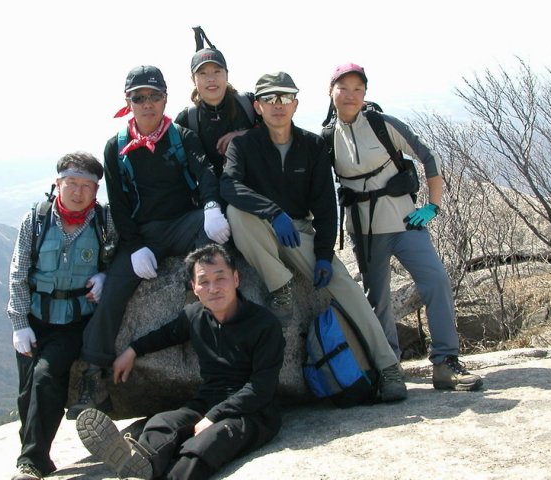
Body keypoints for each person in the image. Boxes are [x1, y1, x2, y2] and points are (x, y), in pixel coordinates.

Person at [220, 71, 407, 402]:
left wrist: (323, 254)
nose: (278, 105)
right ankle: (280, 286)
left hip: (300, 233)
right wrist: (272, 212)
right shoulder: (243, 146)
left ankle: (388, 367)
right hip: (262, 227)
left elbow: (324, 205)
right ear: (258, 106)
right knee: (237, 212)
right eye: (269, 98)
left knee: (345, 285)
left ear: (295, 104)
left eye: (285, 97)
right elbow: (229, 185)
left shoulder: (312, 145)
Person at [67, 65, 231, 419]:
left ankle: (209, 325)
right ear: (128, 102)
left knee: (213, 252)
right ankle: (93, 376)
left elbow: (205, 174)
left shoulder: (182, 137)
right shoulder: (116, 148)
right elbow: (119, 205)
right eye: (139, 97)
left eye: (154, 96)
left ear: (165, 99)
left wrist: (211, 207)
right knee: (115, 289)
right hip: (143, 234)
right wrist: (135, 245)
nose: (147, 103)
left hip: (185, 222)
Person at [324, 62, 483, 391]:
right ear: (331, 92)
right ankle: (390, 368)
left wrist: (432, 206)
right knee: (377, 299)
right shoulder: (326, 138)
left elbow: (428, 157)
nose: (351, 95)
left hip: (405, 222)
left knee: (436, 281)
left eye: (358, 89)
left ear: (365, 93)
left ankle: (445, 363)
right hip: (364, 231)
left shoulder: (383, 125)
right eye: (344, 88)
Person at [76, 243, 285, 480]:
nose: (213, 288)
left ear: (236, 279)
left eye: (220, 278)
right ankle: (141, 465)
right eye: (204, 281)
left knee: (206, 442)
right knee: (161, 423)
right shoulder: (194, 315)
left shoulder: (264, 324)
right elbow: (165, 335)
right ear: (194, 287)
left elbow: (261, 388)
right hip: (207, 401)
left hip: (254, 413)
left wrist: (214, 417)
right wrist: (132, 350)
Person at [7, 152, 114, 480]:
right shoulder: (36, 220)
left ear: (96, 190)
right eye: (72, 183)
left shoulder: (104, 221)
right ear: (58, 184)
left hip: (73, 322)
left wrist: (105, 276)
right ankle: (36, 458)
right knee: (27, 394)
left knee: (46, 376)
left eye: (87, 186)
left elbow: (120, 256)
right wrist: (19, 323)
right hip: (35, 319)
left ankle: (31, 463)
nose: (78, 192)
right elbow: (18, 272)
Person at [175, 27, 258, 178]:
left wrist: (245, 135)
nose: (211, 79)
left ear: (227, 75)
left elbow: (281, 132)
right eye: (202, 73)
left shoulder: (249, 103)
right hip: (212, 188)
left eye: (217, 71)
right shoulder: (187, 119)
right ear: (193, 79)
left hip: (255, 183)